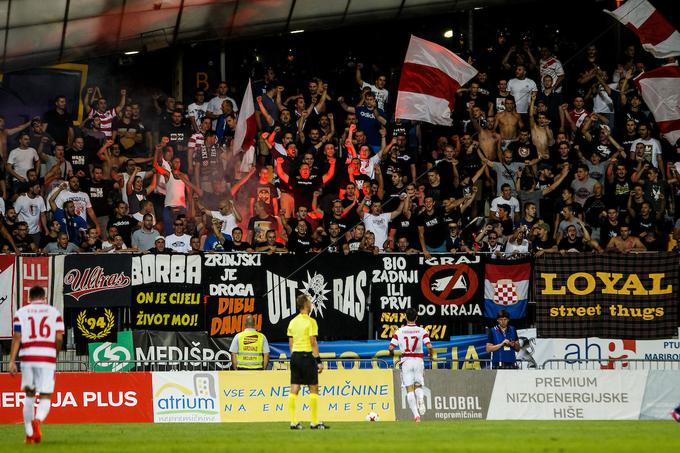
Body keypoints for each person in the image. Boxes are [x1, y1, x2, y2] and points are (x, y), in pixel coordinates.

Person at [9, 286, 64, 444]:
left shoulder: (21, 313)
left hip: (28, 358)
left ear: (29, 298)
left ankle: (28, 434)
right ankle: (38, 421)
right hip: (47, 358)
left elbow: (17, 337)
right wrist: (56, 354)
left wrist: (12, 361)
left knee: (29, 395)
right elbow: (59, 338)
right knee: (46, 395)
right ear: (44, 297)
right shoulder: (54, 312)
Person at [287, 294, 327, 430]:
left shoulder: (292, 322)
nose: (311, 304)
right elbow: (313, 342)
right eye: (309, 302)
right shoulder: (311, 322)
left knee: (294, 388)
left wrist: (294, 356)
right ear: (305, 304)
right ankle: (314, 422)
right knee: (313, 388)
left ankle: (293, 422)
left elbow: (291, 343)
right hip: (307, 356)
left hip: (295, 357)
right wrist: (318, 361)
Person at [388, 307, 433, 422]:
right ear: (416, 317)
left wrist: (392, 353)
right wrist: (431, 355)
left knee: (409, 389)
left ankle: (416, 416)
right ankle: (421, 401)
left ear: (405, 317)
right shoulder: (421, 331)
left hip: (406, 361)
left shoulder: (400, 331)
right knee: (418, 385)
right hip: (418, 361)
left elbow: (391, 347)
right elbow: (429, 346)